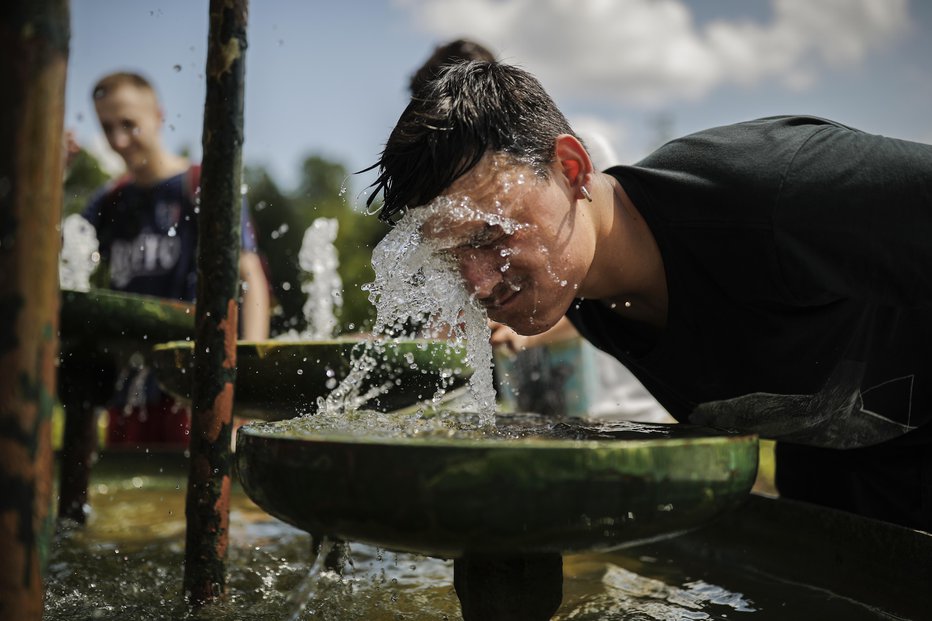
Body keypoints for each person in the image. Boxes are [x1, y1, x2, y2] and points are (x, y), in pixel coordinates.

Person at [365, 61, 932, 532]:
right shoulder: (581, 291)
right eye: (450, 256)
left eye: (490, 234)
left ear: (571, 168)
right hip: (842, 480)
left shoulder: (777, 194)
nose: (480, 282)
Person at [410, 41, 674, 423]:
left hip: (624, 395)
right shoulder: (450, 205)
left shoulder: (557, 159)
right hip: (550, 398)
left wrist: (526, 332)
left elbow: (600, 272)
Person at [81, 71, 270, 445]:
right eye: (107, 127)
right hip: (129, 393)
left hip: (194, 386)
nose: (119, 139)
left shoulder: (203, 184)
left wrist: (244, 378)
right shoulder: (108, 202)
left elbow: (250, 277)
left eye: (129, 124)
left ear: (158, 115)